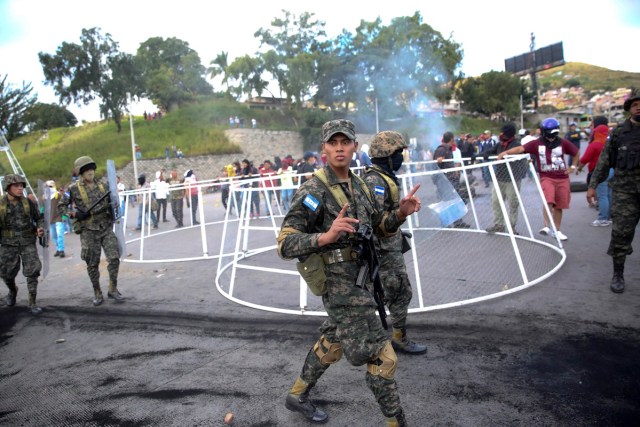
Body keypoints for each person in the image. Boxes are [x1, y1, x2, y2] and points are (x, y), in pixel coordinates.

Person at [277, 119, 421, 426]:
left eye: (345, 142)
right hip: (339, 286)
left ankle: (297, 394)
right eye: (333, 143)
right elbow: (285, 243)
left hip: (362, 280)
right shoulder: (313, 190)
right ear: (324, 149)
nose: (340, 148)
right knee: (383, 358)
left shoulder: (361, 186)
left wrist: (399, 214)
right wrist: (325, 237)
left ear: (355, 147)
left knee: (334, 342)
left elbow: (380, 229)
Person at [364, 131, 428, 355]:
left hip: (388, 246)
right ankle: (394, 340)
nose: (401, 157)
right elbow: (377, 223)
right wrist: (401, 213)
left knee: (396, 292)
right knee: (397, 292)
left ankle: (392, 337)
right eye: (398, 152)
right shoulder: (375, 181)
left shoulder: (382, 176)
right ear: (386, 154)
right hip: (382, 250)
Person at [587, 90, 640, 293]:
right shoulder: (618, 133)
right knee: (621, 233)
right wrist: (592, 185)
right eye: (635, 104)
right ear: (629, 108)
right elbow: (604, 161)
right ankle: (618, 274)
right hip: (625, 192)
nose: (639, 107)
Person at [498, 118, 579, 241]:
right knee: (549, 200)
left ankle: (557, 230)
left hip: (562, 178)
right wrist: (506, 153)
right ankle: (547, 226)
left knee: (559, 205)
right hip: (547, 176)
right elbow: (521, 149)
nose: (551, 137)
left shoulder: (563, 142)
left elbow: (576, 152)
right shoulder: (536, 143)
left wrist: (573, 167)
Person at [58, 156, 124, 306]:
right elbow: (61, 207)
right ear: (80, 172)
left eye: (91, 168)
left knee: (114, 257)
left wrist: (114, 208)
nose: (90, 172)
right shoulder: (72, 189)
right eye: (86, 169)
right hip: (88, 231)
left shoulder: (103, 185)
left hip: (105, 227)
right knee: (92, 264)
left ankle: (112, 289)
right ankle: (97, 292)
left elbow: (113, 202)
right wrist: (75, 214)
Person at [0, 174, 45, 314]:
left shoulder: (28, 203)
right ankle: (12, 291)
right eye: (16, 186)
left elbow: (39, 218)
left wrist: (40, 228)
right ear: (8, 188)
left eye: (21, 186)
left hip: (27, 242)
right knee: (6, 273)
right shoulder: (1, 204)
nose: (20, 188)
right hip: (8, 244)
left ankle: (32, 302)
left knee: (33, 271)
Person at [480, 123, 528, 233]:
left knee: (513, 203)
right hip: (499, 178)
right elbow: (489, 152)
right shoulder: (499, 144)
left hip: (512, 178)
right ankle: (499, 224)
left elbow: (522, 153)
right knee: (496, 201)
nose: (501, 134)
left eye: (503, 132)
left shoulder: (517, 144)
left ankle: (512, 226)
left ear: (508, 134)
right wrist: (476, 156)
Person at [577, 124, 612, 227]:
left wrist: (579, 168)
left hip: (600, 172)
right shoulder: (611, 143)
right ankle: (609, 217)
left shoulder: (594, 144)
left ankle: (603, 219)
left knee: (602, 196)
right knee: (609, 195)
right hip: (612, 171)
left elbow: (585, 159)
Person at [434, 131, 470, 228]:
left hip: (451, 179)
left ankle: (457, 222)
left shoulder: (448, 149)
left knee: (455, 200)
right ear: (451, 139)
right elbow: (435, 165)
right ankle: (446, 222)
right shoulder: (442, 149)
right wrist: (438, 161)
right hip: (444, 180)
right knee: (445, 201)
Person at [47, 180, 66, 258]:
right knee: (54, 236)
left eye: (50, 186)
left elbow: (64, 205)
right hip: (50, 219)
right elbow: (42, 208)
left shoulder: (58, 195)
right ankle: (58, 249)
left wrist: (64, 216)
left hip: (59, 217)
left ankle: (61, 250)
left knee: (60, 234)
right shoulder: (45, 197)